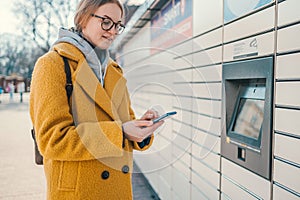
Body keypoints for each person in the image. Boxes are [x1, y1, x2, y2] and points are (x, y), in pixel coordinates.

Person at [29, 0, 164, 199]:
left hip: (118, 191)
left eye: (118, 25)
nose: (113, 31)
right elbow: (52, 140)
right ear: (83, 18)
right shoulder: (53, 65)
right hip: (78, 192)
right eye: (106, 22)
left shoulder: (113, 70)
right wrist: (120, 132)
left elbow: (125, 124)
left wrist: (141, 128)